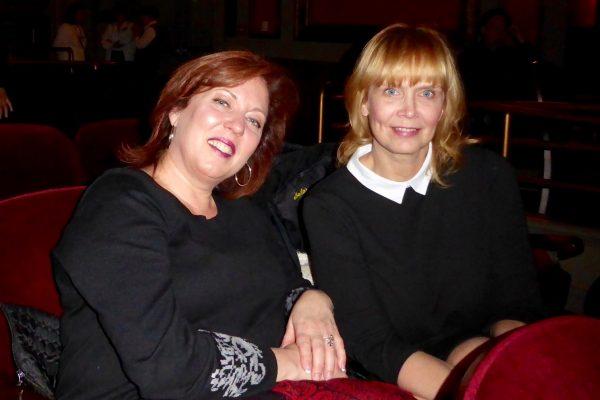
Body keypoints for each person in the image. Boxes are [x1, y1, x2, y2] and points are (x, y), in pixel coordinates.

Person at [52, 51, 346, 400]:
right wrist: (287, 363)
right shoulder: (119, 205)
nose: (237, 126)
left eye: (254, 121)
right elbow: (167, 370)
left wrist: (313, 299)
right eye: (222, 102)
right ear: (176, 110)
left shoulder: (245, 210)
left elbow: (286, 284)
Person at [302, 24, 543, 400]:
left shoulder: (488, 176)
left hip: (474, 346)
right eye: (392, 90)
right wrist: (462, 391)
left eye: (427, 93)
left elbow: (516, 302)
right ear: (364, 101)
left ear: (444, 105)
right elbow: (371, 340)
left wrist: (521, 370)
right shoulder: (329, 206)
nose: (409, 111)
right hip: (391, 367)